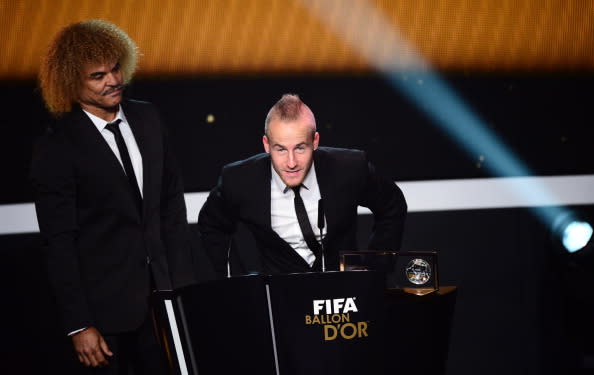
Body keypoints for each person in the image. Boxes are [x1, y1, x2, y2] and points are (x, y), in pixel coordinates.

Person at [30, 20, 194, 374]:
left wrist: (184, 289)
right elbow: (59, 242)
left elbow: (170, 210)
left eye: (116, 68)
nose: (113, 80)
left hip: (165, 300)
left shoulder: (148, 117)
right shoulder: (57, 146)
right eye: (97, 75)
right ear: (72, 82)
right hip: (104, 315)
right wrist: (78, 324)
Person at [198, 93, 407, 277]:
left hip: (344, 295)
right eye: (280, 149)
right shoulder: (240, 179)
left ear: (315, 141)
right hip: (282, 299)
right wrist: (237, 281)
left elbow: (392, 204)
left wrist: (374, 269)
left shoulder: (350, 168)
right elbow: (212, 225)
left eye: (300, 148)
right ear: (266, 145)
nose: (291, 163)